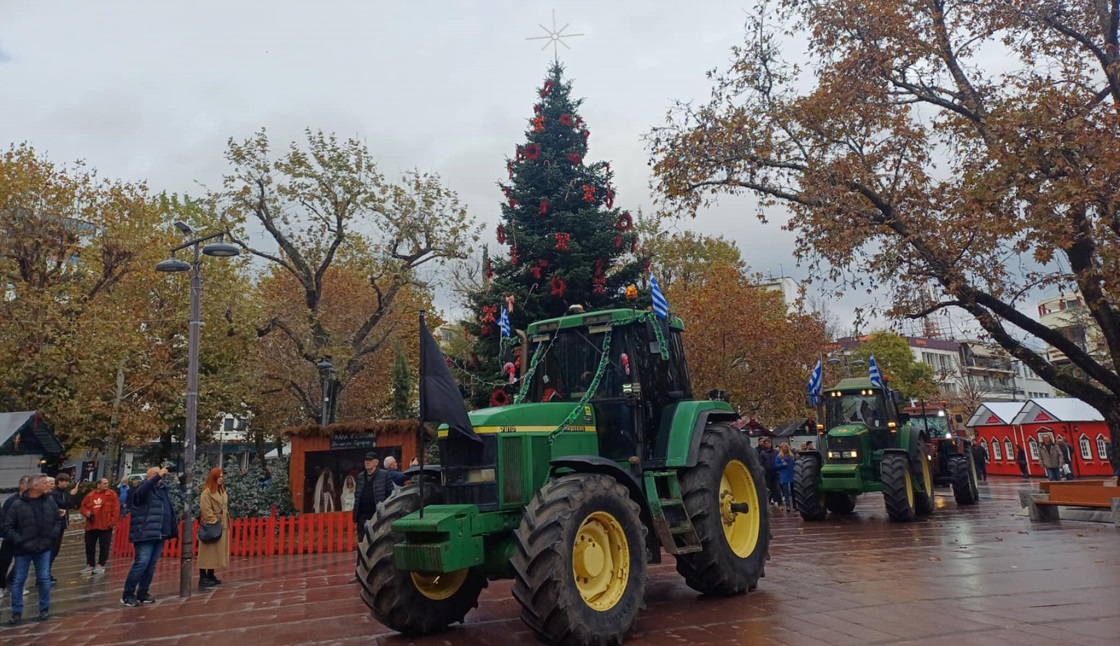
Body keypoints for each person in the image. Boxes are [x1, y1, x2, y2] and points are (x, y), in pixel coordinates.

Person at [1, 474, 62, 625]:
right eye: (44, 483)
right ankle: (16, 611)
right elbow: (8, 526)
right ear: (34, 486)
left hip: (44, 548)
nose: (48, 485)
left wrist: (51, 537)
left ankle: (44, 609)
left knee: (44, 578)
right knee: (19, 580)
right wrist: (20, 541)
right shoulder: (17, 504)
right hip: (23, 549)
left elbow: (56, 520)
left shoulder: (50, 501)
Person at [121, 466, 177, 607]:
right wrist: (157, 476)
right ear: (149, 476)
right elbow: (142, 490)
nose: (160, 476)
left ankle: (143, 592)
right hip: (144, 532)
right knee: (141, 563)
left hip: (160, 532)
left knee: (151, 565)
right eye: (156, 474)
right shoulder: (142, 489)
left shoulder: (163, 489)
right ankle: (127, 594)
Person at [352, 452, 392, 579]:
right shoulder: (360, 477)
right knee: (361, 543)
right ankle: (359, 574)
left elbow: (390, 494)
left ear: (376, 462)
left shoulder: (384, 475)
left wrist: (385, 512)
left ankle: (378, 574)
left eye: (370, 460)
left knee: (377, 544)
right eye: (365, 460)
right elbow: (357, 495)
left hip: (377, 515)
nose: (367, 462)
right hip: (362, 515)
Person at [79, 478, 120, 576]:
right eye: (104, 483)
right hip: (91, 525)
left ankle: (101, 564)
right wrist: (87, 513)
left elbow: (116, 508)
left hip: (105, 525)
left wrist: (112, 522)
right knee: (89, 546)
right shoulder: (90, 496)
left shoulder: (111, 494)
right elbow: (83, 507)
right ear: (98, 485)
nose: (107, 485)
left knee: (104, 546)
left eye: (107, 483)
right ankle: (90, 564)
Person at [198, 468, 230, 589]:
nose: (221, 479)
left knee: (216, 552)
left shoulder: (221, 491)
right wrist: (214, 521)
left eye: (222, 476)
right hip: (212, 525)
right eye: (219, 476)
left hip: (222, 523)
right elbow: (205, 509)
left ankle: (211, 574)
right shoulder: (206, 492)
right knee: (207, 551)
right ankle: (203, 576)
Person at [0, 476, 30, 600]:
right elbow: (4, 518)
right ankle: (1, 585)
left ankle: (13, 584)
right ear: (22, 485)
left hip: (25, 537)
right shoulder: (12, 501)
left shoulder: (33, 500)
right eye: (29, 484)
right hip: (9, 536)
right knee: (4, 562)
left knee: (22, 562)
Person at [48, 472, 79, 581]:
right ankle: (45, 573)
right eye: (65, 481)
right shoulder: (56, 493)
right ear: (59, 481)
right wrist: (72, 494)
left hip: (61, 524)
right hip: (56, 524)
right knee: (52, 549)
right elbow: (65, 504)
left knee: (55, 550)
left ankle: (47, 572)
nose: (67, 483)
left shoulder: (63, 492)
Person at [756, 438, 781, 507]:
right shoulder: (762, 453)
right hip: (767, 473)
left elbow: (779, 460)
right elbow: (761, 463)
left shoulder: (775, 452)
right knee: (768, 487)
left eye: (768, 443)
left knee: (776, 487)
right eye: (766, 443)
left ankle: (777, 500)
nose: (767, 445)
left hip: (775, 471)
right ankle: (769, 501)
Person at [775, 443, 796, 512]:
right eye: (783, 447)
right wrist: (782, 464)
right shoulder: (778, 457)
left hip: (792, 475)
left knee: (793, 492)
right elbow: (776, 466)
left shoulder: (791, 456)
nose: (784, 448)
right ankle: (787, 506)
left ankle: (795, 506)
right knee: (786, 492)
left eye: (786, 447)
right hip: (784, 476)